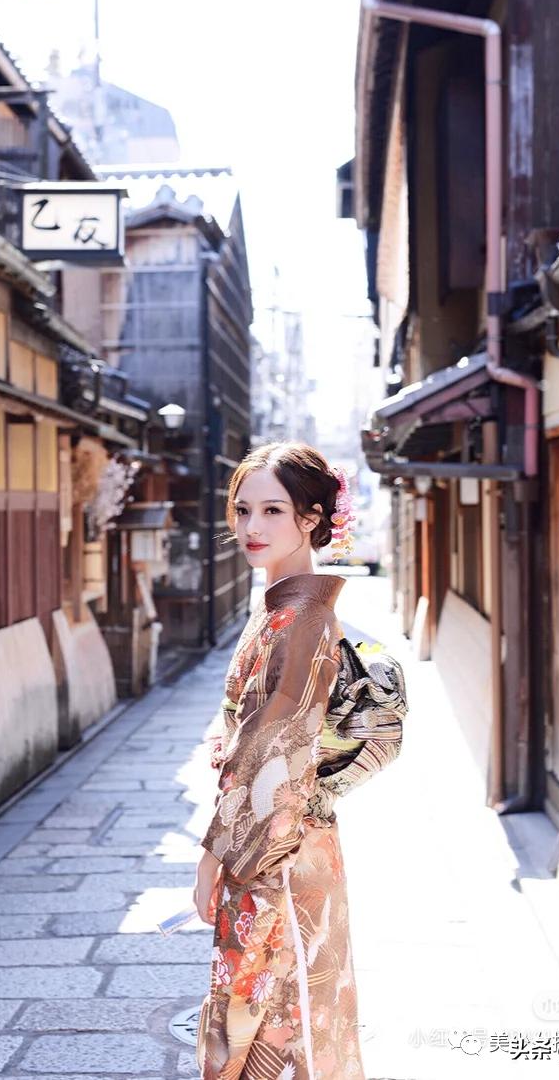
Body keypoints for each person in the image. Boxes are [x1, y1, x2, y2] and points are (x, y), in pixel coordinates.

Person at [194, 441, 366, 1080]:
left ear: (312, 518)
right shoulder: (281, 609)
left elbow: (276, 751)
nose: (251, 527)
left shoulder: (302, 618)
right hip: (278, 837)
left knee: (264, 1016)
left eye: (273, 510)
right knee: (282, 1011)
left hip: (275, 849)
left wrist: (214, 854)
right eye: (243, 510)